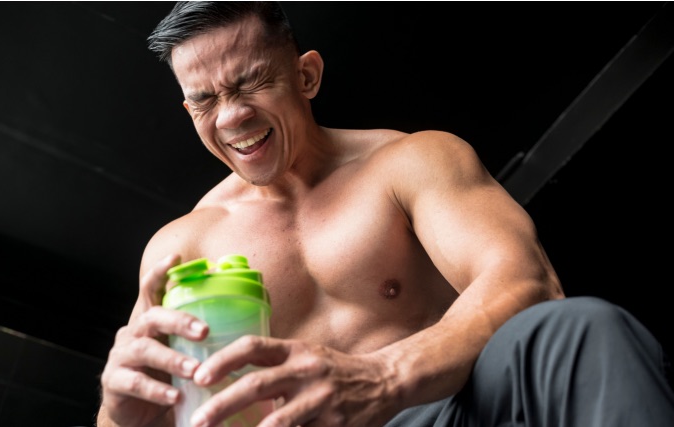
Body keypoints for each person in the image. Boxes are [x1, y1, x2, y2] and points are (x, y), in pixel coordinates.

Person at [97, 2, 674, 426]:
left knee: (577, 331)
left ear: (307, 76)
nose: (230, 118)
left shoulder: (411, 162)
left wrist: (383, 377)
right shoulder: (181, 247)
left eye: (250, 83)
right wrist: (121, 417)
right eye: (204, 99)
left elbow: (527, 283)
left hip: (441, 412)